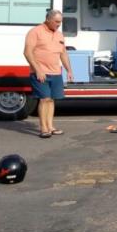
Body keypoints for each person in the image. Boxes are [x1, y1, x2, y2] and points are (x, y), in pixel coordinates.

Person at [23, 10, 74, 139]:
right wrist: (37, 70)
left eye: (60, 22)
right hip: (40, 73)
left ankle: (50, 126)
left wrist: (69, 70)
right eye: (56, 22)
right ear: (48, 19)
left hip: (56, 73)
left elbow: (63, 54)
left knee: (51, 100)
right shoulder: (35, 32)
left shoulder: (59, 35)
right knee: (44, 99)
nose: (59, 24)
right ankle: (43, 128)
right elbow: (27, 52)